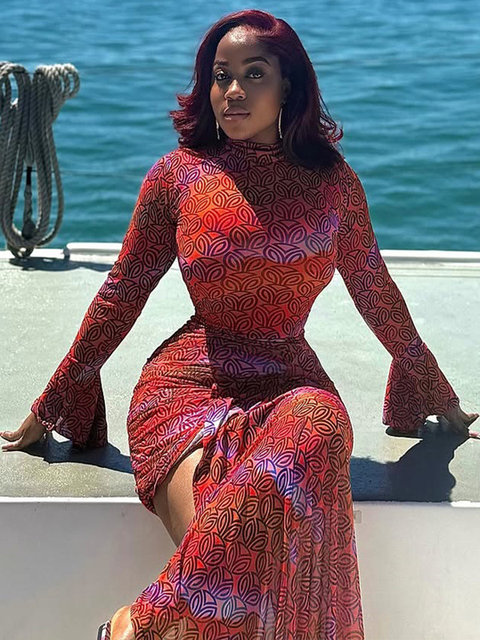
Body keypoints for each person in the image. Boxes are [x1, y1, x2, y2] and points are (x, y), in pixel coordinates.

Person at [2, 9, 478, 640]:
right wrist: (57, 395)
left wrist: (436, 390)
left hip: (291, 383)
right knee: (244, 578)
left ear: (289, 87)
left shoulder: (334, 185)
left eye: (254, 74)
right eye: (220, 75)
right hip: (186, 390)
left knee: (319, 420)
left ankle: (136, 626)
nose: (232, 90)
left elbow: (377, 294)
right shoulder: (177, 177)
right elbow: (123, 291)